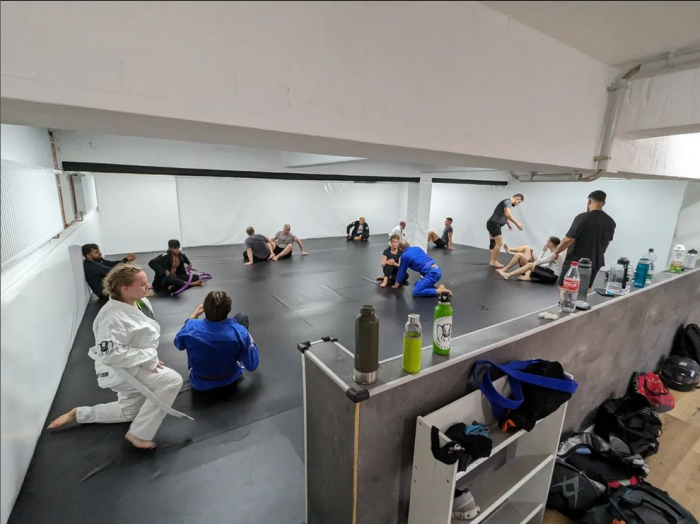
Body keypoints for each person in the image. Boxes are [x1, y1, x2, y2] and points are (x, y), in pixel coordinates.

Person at [47, 264, 184, 449]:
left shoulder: (140, 301)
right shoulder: (111, 318)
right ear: (125, 288)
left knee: (131, 412)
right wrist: (148, 357)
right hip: (120, 369)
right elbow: (110, 354)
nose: (149, 285)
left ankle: (79, 414)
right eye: (142, 284)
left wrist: (147, 357)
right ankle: (139, 434)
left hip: (136, 361)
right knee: (171, 381)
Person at [174, 291, 259, 392]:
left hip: (199, 380)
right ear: (229, 309)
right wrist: (247, 339)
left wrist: (194, 315)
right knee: (241, 318)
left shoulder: (190, 326)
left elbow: (178, 344)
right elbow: (252, 365)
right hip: (229, 378)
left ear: (205, 308)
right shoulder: (240, 332)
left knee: (190, 336)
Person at [551, 190, 616, 288]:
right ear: (604, 203)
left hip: (576, 261)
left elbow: (569, 239)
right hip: (596, 261)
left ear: (589, 201)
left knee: (565, 287)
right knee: (585, 288)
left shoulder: (583, 217)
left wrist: (556, 252)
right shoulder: (610, 222)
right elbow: (607, 243)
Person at [82, 243, 148, 298]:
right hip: (104, 293)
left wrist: (125, 260)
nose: (100, 253)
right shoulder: (91, 266)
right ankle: (138, 293)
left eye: (99, 251)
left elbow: (112, 264)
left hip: (108, 286)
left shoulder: (98, 260)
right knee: (126, 279)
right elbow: (112, 270)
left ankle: (139, 291)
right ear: (89, 256)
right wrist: (125, 264)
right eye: (96, 252)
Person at [497, 237, 564, 284]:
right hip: (549, 272)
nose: (546, 242)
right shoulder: (554, 253)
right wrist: (536, 263)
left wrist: (543, 251)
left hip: (551, 277)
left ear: (551, 244)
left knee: (528, 262)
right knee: (527, 248)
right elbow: (549, 265)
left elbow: (538, 262)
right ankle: (509, 250)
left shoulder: (554, 254)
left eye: (548, 241)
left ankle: (508, 275)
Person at [487, 194, 524, 268]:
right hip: (495, 224)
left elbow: (503, 214)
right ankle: (494, 261)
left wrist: (508, 223)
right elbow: (507, 214)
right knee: (499, 243)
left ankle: (492, 261)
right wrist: (517, 224)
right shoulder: (508, 202)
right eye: (519, 202)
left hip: (491, 223)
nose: (518, 204)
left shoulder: (506, 202)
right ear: (517, 199)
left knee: (493, 243)